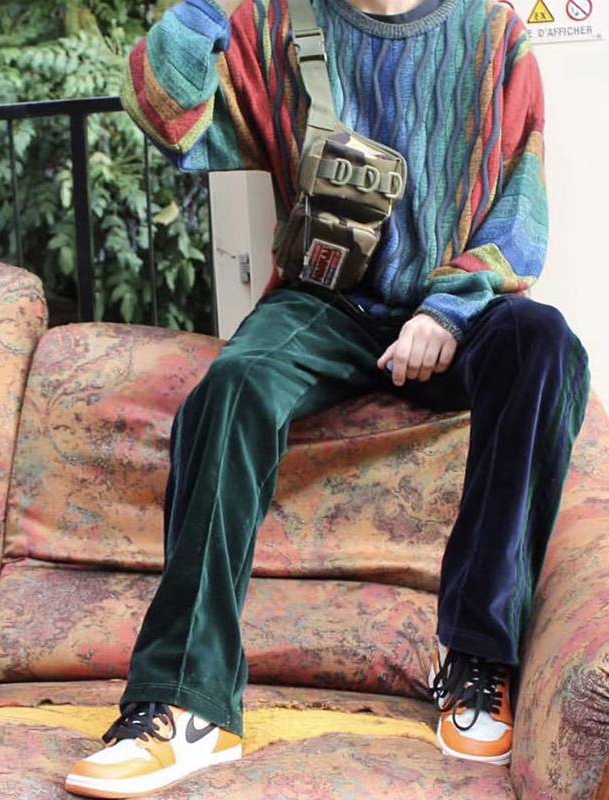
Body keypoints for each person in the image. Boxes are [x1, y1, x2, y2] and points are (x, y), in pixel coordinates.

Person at [65, 0, 591, 796]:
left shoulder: (493, 32)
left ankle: (477, 654)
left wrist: (447, 310)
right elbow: (164, 113)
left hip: (458, 309)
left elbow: (521, 212)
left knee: (544, 343)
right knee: (233, 386)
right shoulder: (277, 21)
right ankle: (188, 702)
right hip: (324, 302)